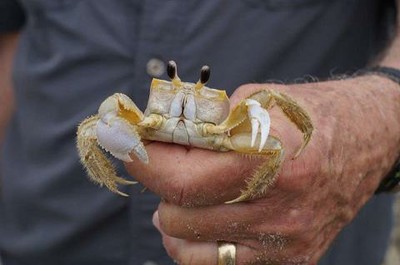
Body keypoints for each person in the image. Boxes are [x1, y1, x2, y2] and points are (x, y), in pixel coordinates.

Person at [0, 0, 399, 264]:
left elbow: (273, 137)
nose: (183, 101)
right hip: (40, 242)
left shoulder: (240, 119)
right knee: (96, 125)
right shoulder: (140, 114)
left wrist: (368, 118)